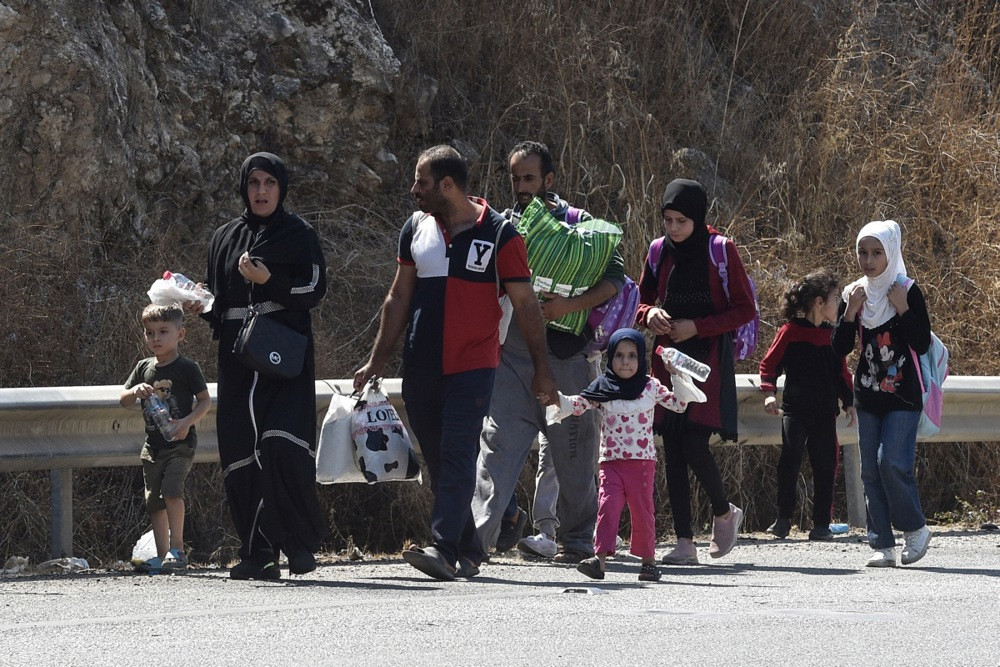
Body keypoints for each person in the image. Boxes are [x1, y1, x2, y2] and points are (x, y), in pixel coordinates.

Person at [354, 144, 557, 581]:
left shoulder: (500, 234)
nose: (414, 190)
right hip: (421, 363)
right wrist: (377, 360)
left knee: (457, 451)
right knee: (441, 460)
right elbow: (398, 296)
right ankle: (482, 535)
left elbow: (526, 306)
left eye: (422, 183)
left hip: (475, 364)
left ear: (448, 185)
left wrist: (542, 368)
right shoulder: (415, 228)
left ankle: (443, 548)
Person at [472, 140, 626, 564]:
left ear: (549, 180)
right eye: (515, 178)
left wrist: (565, 307)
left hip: (567, 361)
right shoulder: (502, 226)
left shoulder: (580, 229)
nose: (521, 186)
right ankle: (472, 544)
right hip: (513, 356)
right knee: (496, 449)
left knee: (575, 455)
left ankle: (577, 541)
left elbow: (617, 277)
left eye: (530, 178)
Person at [196, 151, 328, 580]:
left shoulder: (298, 234)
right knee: (240, 452)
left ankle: (299, 545)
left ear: (281, 188)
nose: (261, 191)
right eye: (253, 183)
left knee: (281, 444)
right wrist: (198, 301)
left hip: (283, 357)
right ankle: (258, 552)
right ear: (244, 188)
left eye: (269, 183)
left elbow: (313, 288)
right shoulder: (225, 237)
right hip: (237, 359)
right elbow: (218, 304)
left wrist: (267, 280)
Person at [636, 178, 755, 564]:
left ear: (698, 218)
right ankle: (684, 542)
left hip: (706, 360)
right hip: (667, 358)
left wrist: (697, 326)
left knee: (693, 441)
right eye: (667, 220)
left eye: (681, 221)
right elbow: (642, 299)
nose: (673, 229)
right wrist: (649, 314)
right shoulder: (658, 251)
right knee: (672, 445)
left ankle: (723, 512)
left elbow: (743, 308)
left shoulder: (721, 249)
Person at [547, 329, 702, 582]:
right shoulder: (603, 387)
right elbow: (580, 404)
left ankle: (648, 562)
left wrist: (676, 374)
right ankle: (599, 560)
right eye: (619, 355)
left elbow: (679, 404)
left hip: (641, 464)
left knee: (643, 512)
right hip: (610, 463)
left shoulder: (650, 386)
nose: (625, 362)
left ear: (641, 358)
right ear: (611, 359)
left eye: (632, 355)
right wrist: (557, 400)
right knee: (607, 509)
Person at [832, 220, 933, 567]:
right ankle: (883, 545)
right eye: (863, 252)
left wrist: (903, 307)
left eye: (877, 253)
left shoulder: (906, 289)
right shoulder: (854, 293)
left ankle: (916, 530)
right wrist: (849, 314)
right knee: (869, 472)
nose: (869, 260)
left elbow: (920, 341)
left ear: (891, 252)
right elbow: (839, 348)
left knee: (890, 461)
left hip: (904, 394)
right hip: (868, 393)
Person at [758, 269, 857, 541]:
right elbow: (769, 364)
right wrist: (769, 392)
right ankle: (783, 519)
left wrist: (849, 402)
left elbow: (841, 374)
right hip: (795, 410)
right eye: (835, 298)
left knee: (826, 465)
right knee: (789, 462)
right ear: (818, 302)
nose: (839, 304)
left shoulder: (833, 335)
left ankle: (821, 524)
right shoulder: (790, 331)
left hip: (825, 412)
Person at [120, 303, 211, 573]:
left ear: (180, 334)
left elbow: (205, 402)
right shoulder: (143, 367)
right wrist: (135, 390)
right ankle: (162, 556)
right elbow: (123, 400)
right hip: (153, 447)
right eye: (150, 333)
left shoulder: (187, 368)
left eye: (162, 331)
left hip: (180, 444)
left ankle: (178, 550)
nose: (155, 338)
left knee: (172, 492)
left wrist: (186, 423)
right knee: (154, 502)